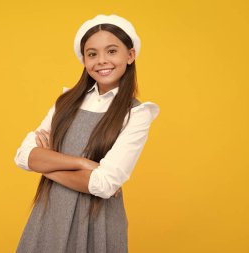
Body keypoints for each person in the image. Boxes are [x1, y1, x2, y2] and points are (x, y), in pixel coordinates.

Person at [14, 14, 160, 253]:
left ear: (130, 55)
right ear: (84, 59)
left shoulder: (137, 114)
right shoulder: (65, 101)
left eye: (112, 51)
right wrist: (83, 163)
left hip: (98, 221)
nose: (101, 61)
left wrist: (46, 162)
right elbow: (22, 156)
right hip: (49, 215)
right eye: (92, 54)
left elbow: (103, 184)